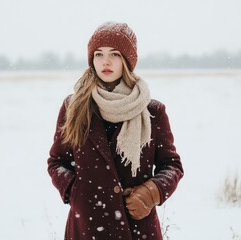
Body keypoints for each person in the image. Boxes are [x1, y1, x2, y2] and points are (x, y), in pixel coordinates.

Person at [47, 21, 183, 240]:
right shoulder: (74, 107)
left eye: (115, 54)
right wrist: (76, 192)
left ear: (127, 61)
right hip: (88, 226)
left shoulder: (152, 112)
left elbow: (172, 166)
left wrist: (150, 193)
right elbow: (57, 161)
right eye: (98, 54)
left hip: (137, 227)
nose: (106, 61)